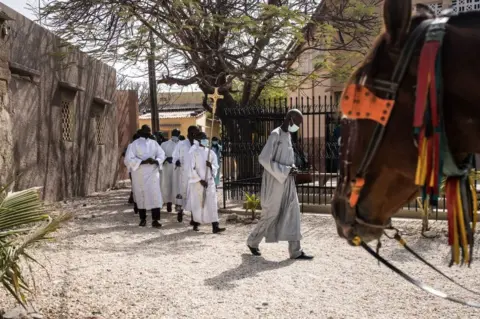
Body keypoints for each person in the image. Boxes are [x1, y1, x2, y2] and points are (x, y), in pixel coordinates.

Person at [246, 109, 313, 260]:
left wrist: (292, 168)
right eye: (297, 124)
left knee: (293, 211)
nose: (298, 127)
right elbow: (263, 159)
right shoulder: (275, 134)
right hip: (275, 181)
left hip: (288, 180)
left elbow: (285, 158)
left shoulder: (288, 135)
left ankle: (295, 251)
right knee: (271, 214)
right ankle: (252, 241)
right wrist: (285, 170)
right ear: (290, 119)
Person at [124, 125, 166, 228]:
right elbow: (128, 159)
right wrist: (142, 161)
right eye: (146, 131)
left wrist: (156, 161)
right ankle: (142, 219)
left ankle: (155, 220)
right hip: (139, 174)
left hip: (152, 173)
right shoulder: (134, 144)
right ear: (141, 132)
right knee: (141, 196)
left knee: (154, 196)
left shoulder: (154, 143)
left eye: (149, 131)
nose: (148, 133)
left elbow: (162, 155)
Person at [185, 132, 226, 233]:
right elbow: (191, 168)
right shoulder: (193, 152)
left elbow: (216, 166)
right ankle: (195, 223)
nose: (205, 140)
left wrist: (211, 166)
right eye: (203, 138)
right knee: (198, 204)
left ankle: (215, 226)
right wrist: (199, 180)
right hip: (198, 182)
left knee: (212, 203)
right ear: (198, 140)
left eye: (206, 138)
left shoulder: (210, 152)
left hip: (210, 181)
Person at [172, 126, 198, 223]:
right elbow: (175, 156)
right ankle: (180, 212)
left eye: (196, 134)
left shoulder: (198, 145)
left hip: (195, 176)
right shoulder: (181, 144)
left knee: (194, 196)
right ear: (188, 134)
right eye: (193, 133)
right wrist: (177, 161)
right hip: (183, 175)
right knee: (181, 195)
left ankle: (193, 218)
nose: (194, 136)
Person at [161, 129, 181, 214]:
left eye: (177, 133)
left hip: (178, 168)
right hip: (167, 167)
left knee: (178, 185)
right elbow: (161, 154)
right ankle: (168, 202)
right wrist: (166, 158)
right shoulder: (164, 144)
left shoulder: (182, 144)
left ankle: (178, 204)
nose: (175, 135)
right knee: (168, 185)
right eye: (174, 133)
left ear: (179, 134)